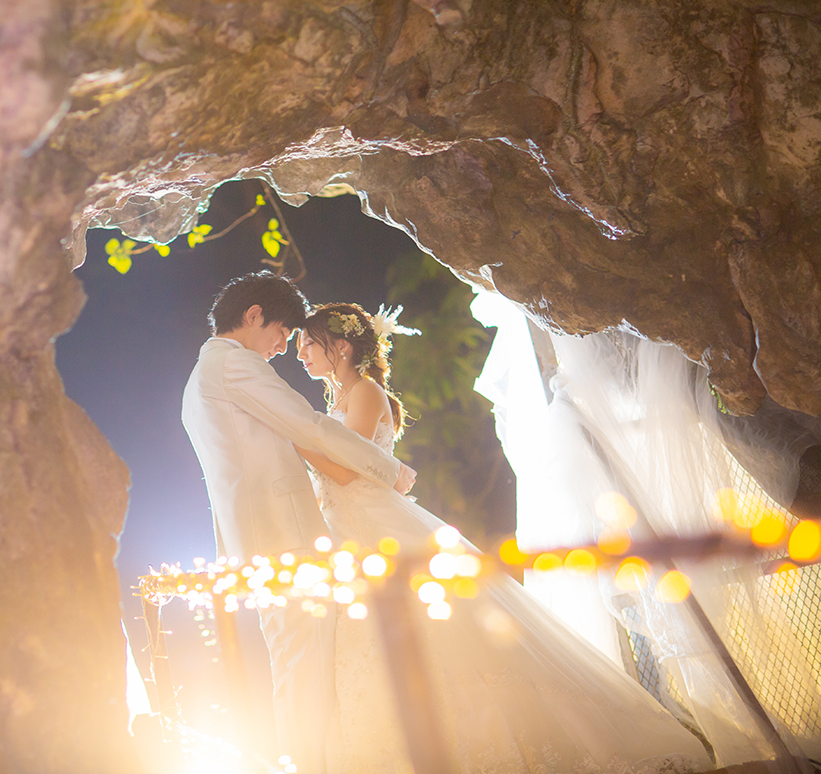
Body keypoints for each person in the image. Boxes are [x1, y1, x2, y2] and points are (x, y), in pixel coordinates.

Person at [295, 302, 713, 774]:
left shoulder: (366, 393)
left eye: (308, 344)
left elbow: (350, 472)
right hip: (351, 531)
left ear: (341, 346)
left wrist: (295, 440)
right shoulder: (339, 402)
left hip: (378, 530)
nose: (301, 354)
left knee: (437, 633)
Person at [181, 273, 415, 774]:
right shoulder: (234, 364)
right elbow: (306, 423)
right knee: (303, 669)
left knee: (294, 666)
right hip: (284, 538)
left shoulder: (201, 374)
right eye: (283, 333)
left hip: (260, 541)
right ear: (254, 316)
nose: (284, 348)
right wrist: (388, 468)